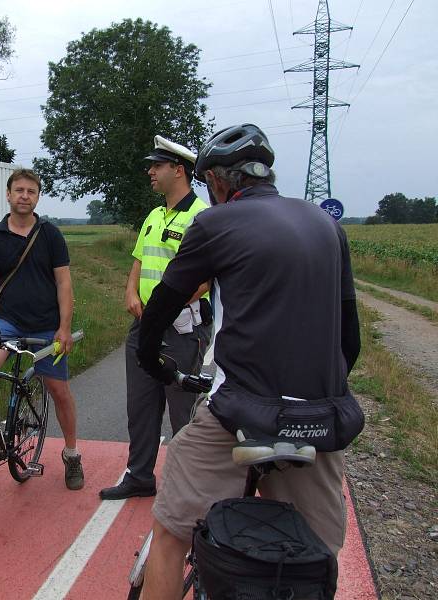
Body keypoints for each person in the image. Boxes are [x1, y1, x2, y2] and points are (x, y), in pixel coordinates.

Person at [135, 123, 362, 598]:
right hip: (320, 417)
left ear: (218, 181)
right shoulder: (327, 224)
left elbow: (162, 305)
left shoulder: (215, 223)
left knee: (172, 529)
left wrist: (150, 356)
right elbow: (350, 340)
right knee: (320, 548)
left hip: (240, 411)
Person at [100, 136, 212, 501]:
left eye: (157, 166)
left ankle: (185, 485)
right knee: (141, 406)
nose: (150, 171)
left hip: (181, 328)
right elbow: (138, 262)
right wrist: (131, 292)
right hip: (144, 327)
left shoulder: (203, 218)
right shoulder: (153, 215)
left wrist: (163, 309)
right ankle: (140, 476)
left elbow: (204, 280)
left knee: (183, 408)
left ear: (178, 170)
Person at [0, 168, 84, 490]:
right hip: (7, 322)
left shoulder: (50, 235)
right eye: (19, 190)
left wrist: (64, 328)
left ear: (37, 198)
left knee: (58, 389)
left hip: (46, 325)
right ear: (8, 195)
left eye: (30, 191)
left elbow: (64, 283)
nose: (24, 195)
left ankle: (72, 453)